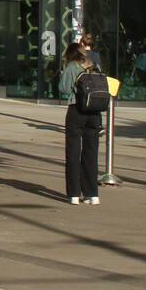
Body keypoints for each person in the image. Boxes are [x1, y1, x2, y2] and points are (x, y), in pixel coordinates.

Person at [59, 43, 102, 205]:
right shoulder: (94, 66)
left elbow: (63, 88)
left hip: (76, 111)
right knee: (91, 154)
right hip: (95, 113)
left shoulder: (71, 66)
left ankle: (74, 194)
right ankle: (92, 194)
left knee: (73, 153)